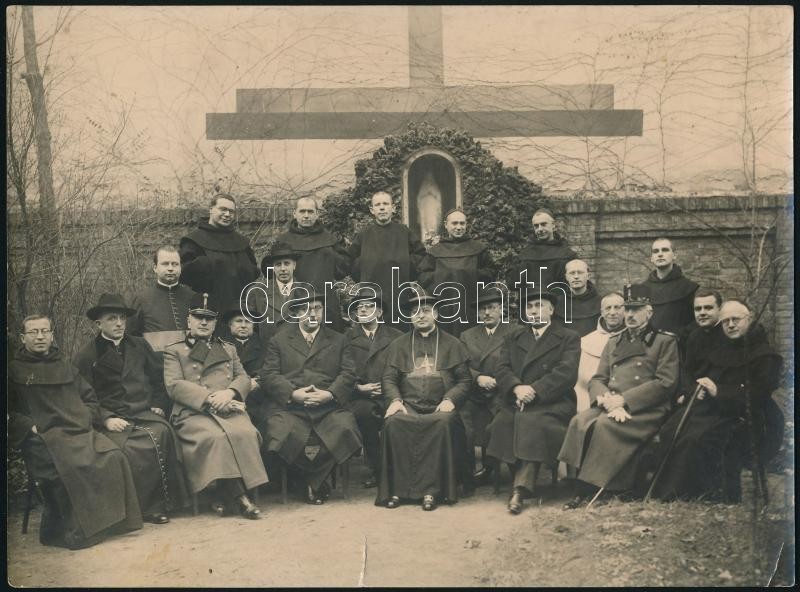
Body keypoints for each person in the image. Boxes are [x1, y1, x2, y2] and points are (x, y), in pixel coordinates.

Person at [8, 315, 142, 549]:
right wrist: (28, 426)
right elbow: (9, 412)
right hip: (42, 438)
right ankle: (75, 532)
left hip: (78, 431)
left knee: (113, 455)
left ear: (52, 335)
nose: (40, 337)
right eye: (33, 332)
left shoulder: (65, 366)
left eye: (44, 331)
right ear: (22, 338)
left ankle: (115, 523)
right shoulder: (12, 371)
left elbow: (90, 398)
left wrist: (83, 417)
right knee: (67, 467)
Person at [642, 299, 784, 502]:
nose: (731, 325)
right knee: (672, 428)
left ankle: (702, 493)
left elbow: (757, 394)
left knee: (698, 438)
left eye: (736, 319)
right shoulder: (722, 348)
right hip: (719, 409)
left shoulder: (765, 356)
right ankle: (674, 490)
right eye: (725, 321)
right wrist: (700, 389)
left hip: (753, 418)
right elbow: (702, 375)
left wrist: (718, 391)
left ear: (749, 319)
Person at [559, 284, 679, 509]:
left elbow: (665, 382)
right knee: (579, 422)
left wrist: (625, 400)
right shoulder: (614, 341)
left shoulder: (664, 341)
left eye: (636, 310)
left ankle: (597, 488)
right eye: (628, 309)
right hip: (610, 403)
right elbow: (598, 378)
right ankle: (577, 484)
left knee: (605, 426)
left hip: (646, 408)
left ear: (649, 312)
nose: (630, 315)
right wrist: (604, 398)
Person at [73, 294, 190, 525]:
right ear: (98, 323)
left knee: (164, 433)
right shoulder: (86, 355)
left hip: (144, 410)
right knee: (128, 449)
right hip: (113, 416)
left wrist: (158, 404)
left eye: (122, 318)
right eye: (112, 318)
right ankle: (142, 508)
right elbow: (82, 396)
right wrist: (105, 419)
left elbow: (158, 379)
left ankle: (167, 503)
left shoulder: (139, 345)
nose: (119, 323)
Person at [163, 293, 267, 519]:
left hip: (228, 408)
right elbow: (174, 385)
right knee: (215, 438)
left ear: (215, 323)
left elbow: (243, 377)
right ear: (188, 320)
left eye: (209, 319)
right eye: (198, 317)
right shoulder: (175, 350)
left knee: (246, 433)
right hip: (193, 412)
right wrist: (209, 398)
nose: (203, 322)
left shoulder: (228, 348)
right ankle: (240, 499)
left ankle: (221, 495)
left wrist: (230, 393)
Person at [259, 288, 362, 504]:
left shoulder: (339, 339)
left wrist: (330, 394)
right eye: (306, 309)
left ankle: (311, 481)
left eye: (317, 308)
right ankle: (310, 480)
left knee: (345, 429)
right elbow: (269, 375)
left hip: (328, 406)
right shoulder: (279, 340)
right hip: (291, 407)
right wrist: (293, 394)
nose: (313, 314)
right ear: (296, 313)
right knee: (280, 432)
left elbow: (348, 373)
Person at [376, 288, 472, 511]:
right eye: (415, 312)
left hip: (440, 406)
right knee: (393, 423)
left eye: (426, 310)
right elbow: (388, 379)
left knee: (443, 423)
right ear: (410, 317)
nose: (420, 315)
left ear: (435, 314)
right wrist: (395, 401)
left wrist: (450, 399)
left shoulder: (453, 344)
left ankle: (433, 491)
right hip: (408, 405)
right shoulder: (398, 344)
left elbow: (465, 380)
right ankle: (397, 491)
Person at [486, 290, 581, 514]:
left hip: (553, 401)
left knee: (531, 423)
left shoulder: (568, 337)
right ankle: (518, 478)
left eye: (539, 305)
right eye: (529, 307)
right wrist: (517, 388)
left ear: (551, 310)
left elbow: (566, 373)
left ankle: (520, 489)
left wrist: (535, 390)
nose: (534, 311)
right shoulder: (513, 337)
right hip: (517, 399)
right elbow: (502, 368)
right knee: (502, 423)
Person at [459, 286, 522, 483]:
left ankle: (508, 470)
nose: (486, 312)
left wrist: (501, 382)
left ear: (501, 309)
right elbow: (461, 365)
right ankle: (467, 475)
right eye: (482, 309)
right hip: (475, 393)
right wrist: (478, 378)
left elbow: (520, 363)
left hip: (503, 392)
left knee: (504, 420)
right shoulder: (467, 335)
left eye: (491, 307)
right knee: (463, 421)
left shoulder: (515, 331)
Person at [344, 286, 403, 488]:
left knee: (398, 418)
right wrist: (358, 388)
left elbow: (404, 367)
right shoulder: (346, 338)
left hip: (392, 393)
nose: (362, 310)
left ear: (379, 312)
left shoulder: (397, 336)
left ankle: (399, 469)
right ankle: (378, 470)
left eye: (368, 306)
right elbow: (340, 371)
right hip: (360, 395)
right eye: (359, 307)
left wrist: (389, 389)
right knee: (364, 414)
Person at [349, 191, 427, 328]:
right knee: (373, 329)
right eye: (377, 205)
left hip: (398, 291)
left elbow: (421, 255)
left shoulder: (404, 232)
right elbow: (350, 260)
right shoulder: (363, 235)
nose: (382, 208)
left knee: (399, 330)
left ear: (393, 208)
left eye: (385, 204)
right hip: (371, 292)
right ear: (372, 210)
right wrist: (366, 268)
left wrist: (405, 266)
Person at [275, 196, 351, 331]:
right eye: (302, 211)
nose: (306, 215)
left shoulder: (329, 240)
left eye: (310, 212)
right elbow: (274, 273)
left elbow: (343, 270)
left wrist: (329, 254)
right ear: (294, 213)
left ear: (317, 214)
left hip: (326, 300)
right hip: (294, 299)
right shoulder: (283, 241)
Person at [179, 193, 260, 315]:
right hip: (207, 311)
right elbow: (184, 275)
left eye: (231, 211)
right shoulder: (193, 240)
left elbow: (253, 272)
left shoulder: (242, 242)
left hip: (240, 311)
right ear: (211, 209)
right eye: (223, 209)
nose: (227, 214)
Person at [418, 208, 493, 337]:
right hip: (443, 304)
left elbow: (490, 273)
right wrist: (441, 279)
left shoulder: (478, 249)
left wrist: (470, 275)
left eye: (462, 223)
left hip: (471, 304)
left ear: (466, 225)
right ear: (446, 225)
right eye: (454, 223)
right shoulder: (435, 251)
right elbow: (423, 276)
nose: (459, 227)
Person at [129, 246, 197, 352]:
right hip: (155, 361)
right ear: (155, 267)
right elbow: (131, 340)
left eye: (175, 264)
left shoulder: (194, 297)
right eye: (165, 264)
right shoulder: (141, 299)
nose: (170, 268)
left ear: (180, 268)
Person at [575, 292, 626, 412]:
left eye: (617, 307)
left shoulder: (635, 339)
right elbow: (582, 381)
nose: (612, 312)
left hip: (623, 400)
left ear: (625, 310)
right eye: (608, 308)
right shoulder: (585, 341)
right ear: (602, 312)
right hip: (590, 398)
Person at [511, 208, 577, 294]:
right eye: (536, 226)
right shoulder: (524, 255)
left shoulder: (567, 255)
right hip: (531, 301)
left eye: (543, 224)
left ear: (553, 225)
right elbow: (512, 284)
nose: (540, 229)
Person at [641, 238, 698, 334]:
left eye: (665, 250)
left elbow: (696, 321)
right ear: (651, 258)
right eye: (656, 251)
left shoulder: (689, 287)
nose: (660, 254)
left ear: (674, 255)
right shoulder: (642, 289)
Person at [253, 242, 302, 349]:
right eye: (278, 264)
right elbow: (251, 328)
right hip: (268, 352)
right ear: (273, 267)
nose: (283, 268)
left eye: (287, 263)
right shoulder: (258, 291)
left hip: (297, 353)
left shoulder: (306, 291)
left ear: (294, 265)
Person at [553, 259, 601, 337]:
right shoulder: (557, 303)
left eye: (580, 272)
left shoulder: (600, 302)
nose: (576, 277)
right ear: (566, 277)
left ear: (588, 276)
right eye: (572, 273)